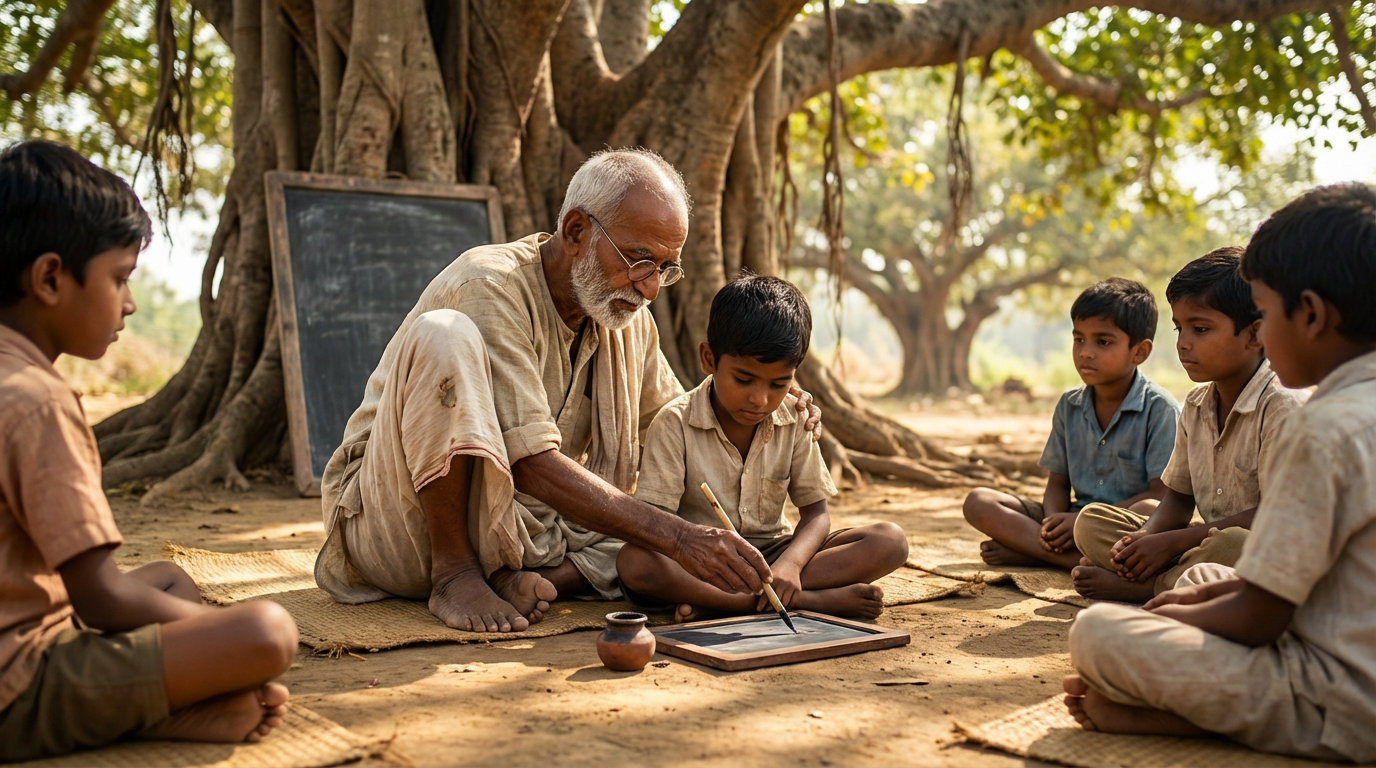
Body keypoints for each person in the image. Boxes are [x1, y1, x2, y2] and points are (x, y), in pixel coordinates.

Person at [316, 149, 822, 634]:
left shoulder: (626, 320)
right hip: (401, 526)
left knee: (636, 541)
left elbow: (678, 423)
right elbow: (530, 465)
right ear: (576, 231)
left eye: (665, 269)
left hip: (526, 537)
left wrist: (771, 406)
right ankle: (455, 574)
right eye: (640, 259)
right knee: (442, 332)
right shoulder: (489, 285)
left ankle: (533, 580)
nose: (649, 288)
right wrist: (679, 538)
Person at [0, 141, 299, 761]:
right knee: (265, 631)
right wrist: (220, 644)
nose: (130, 302)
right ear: (50, 278)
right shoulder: (36, 401)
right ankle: (162, 703)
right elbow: (100, 598)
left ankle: (168, 698)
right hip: (17, 686)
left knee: (168, 578)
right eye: (119, 278)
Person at [1063, 183, 1376, 763]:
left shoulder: (1319, 427)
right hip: (1332, 622)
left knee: (1097, 634)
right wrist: (1187, 593)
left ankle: (1199, 717)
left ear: (1310, 314)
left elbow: (1259, 617)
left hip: (1342, 697)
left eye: (1266, 313)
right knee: (1203, 577)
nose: (1184, 344)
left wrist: (1161, 611)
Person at [617, 274, 908, 622]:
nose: (760, 399)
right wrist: (702, 553)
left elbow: (817, 515)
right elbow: (657, 530)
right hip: (703, 561)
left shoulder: (796, 418)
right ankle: (804, 601)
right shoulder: (674, 423)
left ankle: (727, 604)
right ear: (709, 358)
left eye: (778, 384)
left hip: (774, 556)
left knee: (890, 541)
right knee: (634, 562)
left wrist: (792, 564)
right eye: (743, 380)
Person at [1070, 248, 1308, 602]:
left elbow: (1277, 518)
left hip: (1269, 551)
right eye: (1179, 328)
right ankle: (1174, 579)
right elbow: (1179, 501)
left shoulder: (1282, 408)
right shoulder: (1196, 406)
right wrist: (1146, 539)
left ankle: (1148, 587)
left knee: (1234, 543)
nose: (1183, 343)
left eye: (1200, 329)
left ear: (1254, 334)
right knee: (1091, 522)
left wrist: (1174, 542)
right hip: (1202, 543)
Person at [962, 278, 1178, 569]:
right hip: (1070, 518)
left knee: (1149, 509)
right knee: (979, 502)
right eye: (1079, 339)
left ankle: (1033, 553)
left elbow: (1160, 494)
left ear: (1139, 351)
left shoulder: (1160, 409)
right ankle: (1062, 555)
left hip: (1121, 524)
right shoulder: (1069, 405)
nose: (1085, 352)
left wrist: (1080, 521)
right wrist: (1053, 522)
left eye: (1103, 342)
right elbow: (1058, 483)